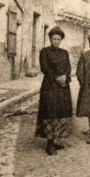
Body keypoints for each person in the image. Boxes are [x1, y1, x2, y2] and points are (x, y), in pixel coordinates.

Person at [35, 26, 73, 156]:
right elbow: (45, 68)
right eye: (54, 39)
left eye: (59, 39)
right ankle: (49, 144)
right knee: (50, 111)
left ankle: (56, 139)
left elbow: (68, 67)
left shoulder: (64, 53)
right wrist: (57, 78)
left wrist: (65, 76)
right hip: (50, 86)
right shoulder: (44, 52)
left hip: (63, 87)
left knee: (61, 111)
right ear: (50, 39)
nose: (56, 41)